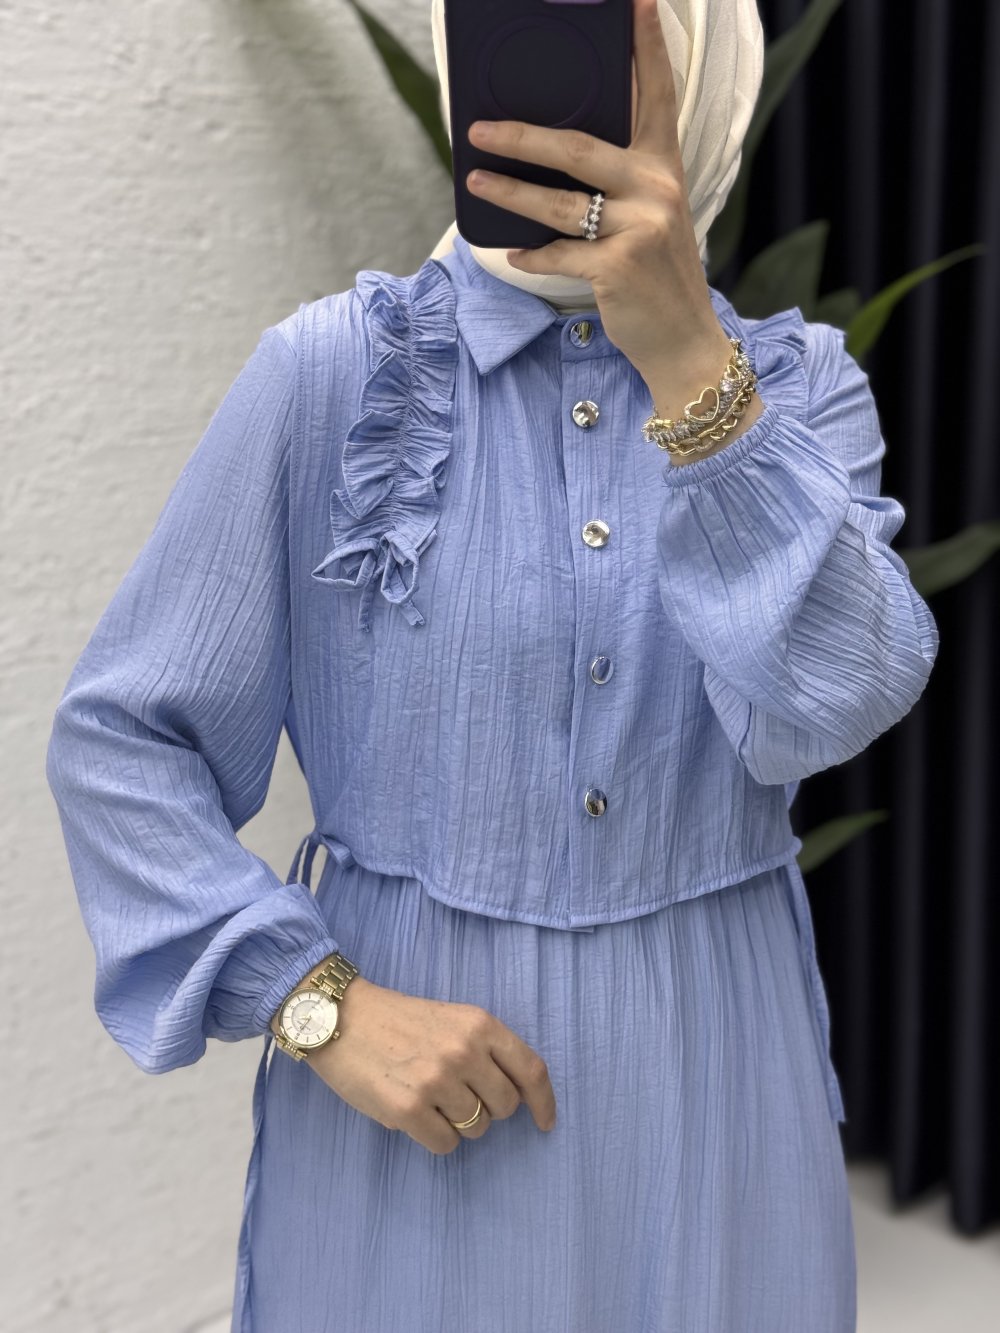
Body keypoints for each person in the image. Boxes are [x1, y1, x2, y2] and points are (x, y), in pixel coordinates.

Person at [45, 0, 939, 1329]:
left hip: (715, 1081)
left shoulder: (796, 393)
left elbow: (834, 699)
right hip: (412, 1116)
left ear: (699, 76)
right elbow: (124, 741)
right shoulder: (336, 379)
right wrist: (320, 1006)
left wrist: (689, 364)